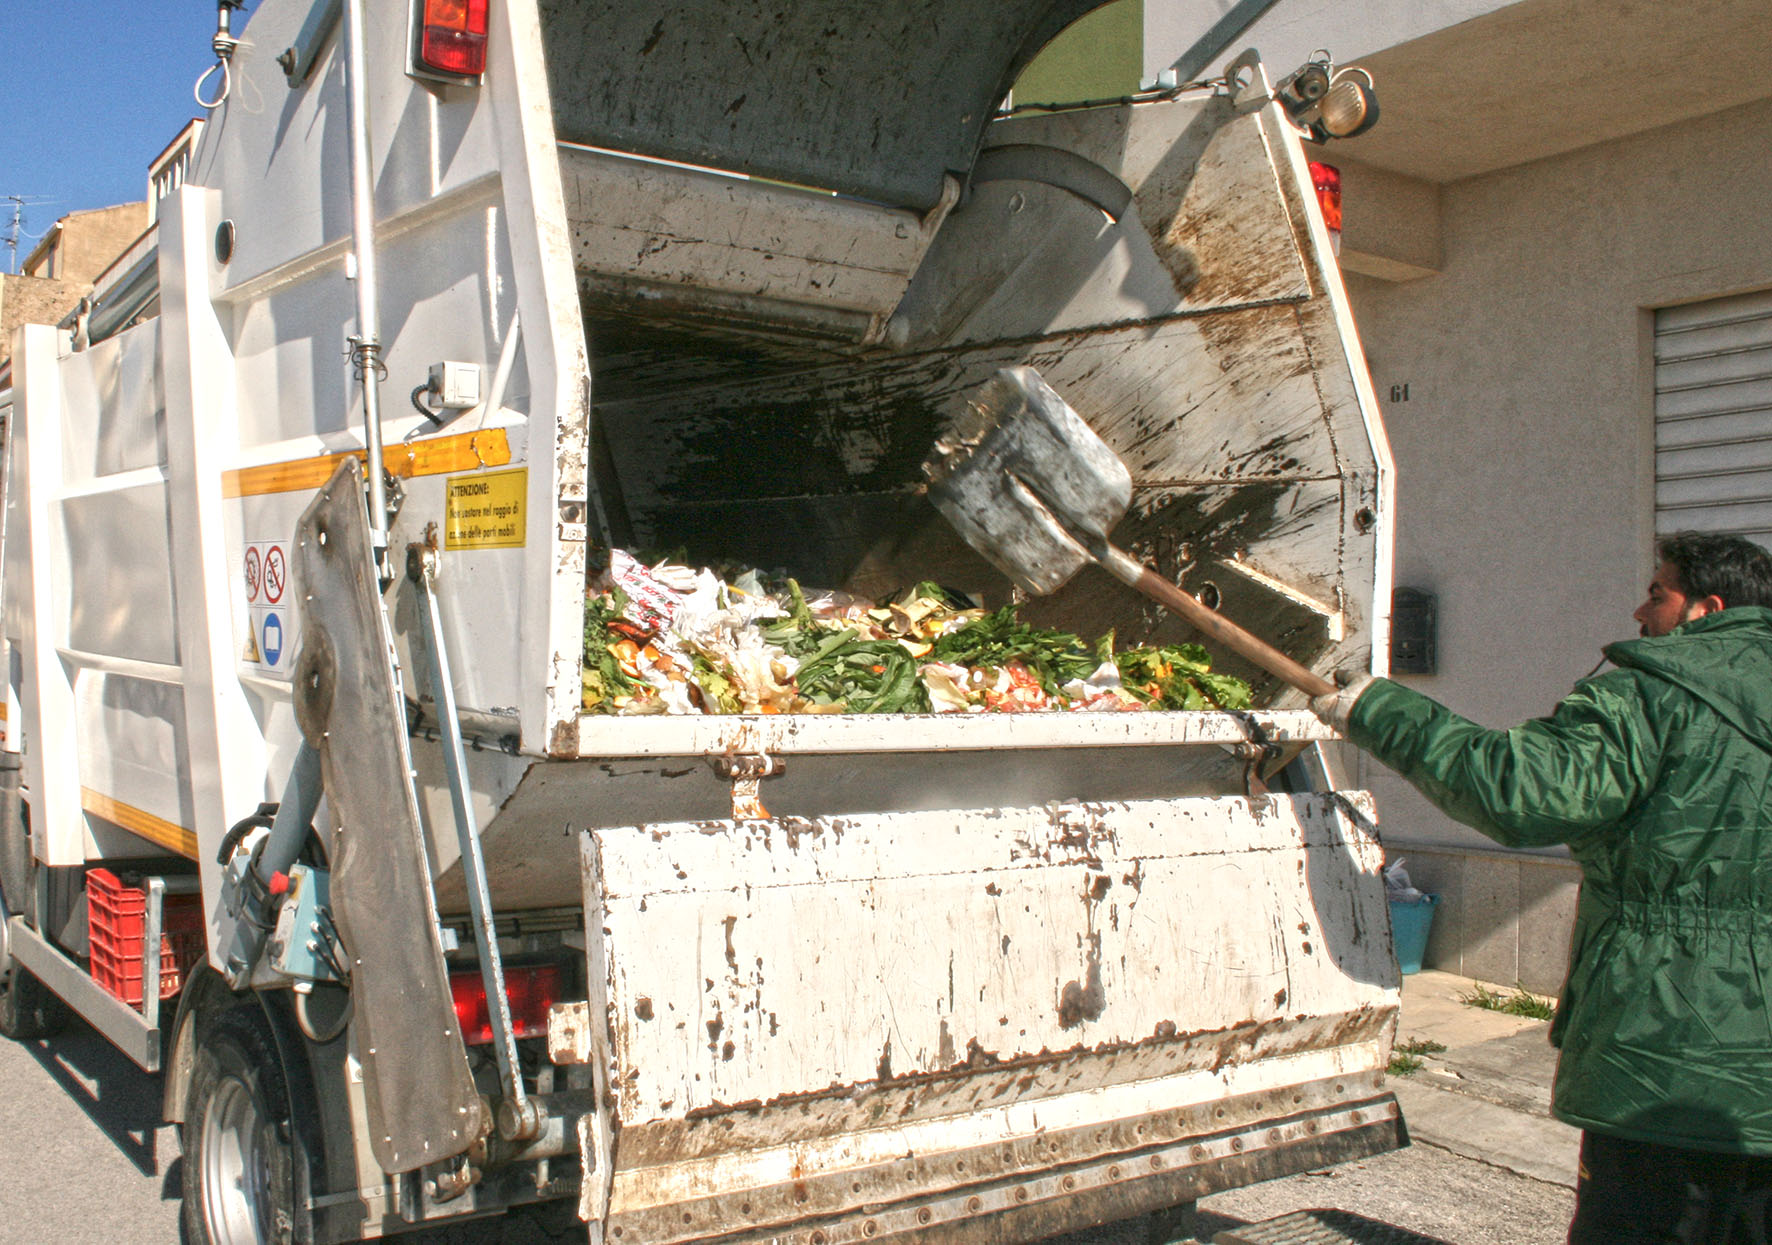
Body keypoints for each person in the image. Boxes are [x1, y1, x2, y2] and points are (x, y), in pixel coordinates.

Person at [1310, 532, 1772, 1244]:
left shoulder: (1654, 694)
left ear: (1706, 610)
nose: (1639, 610)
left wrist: (1378, 709)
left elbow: (1518, 790)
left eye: (1658, 592)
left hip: (1664, 1062)